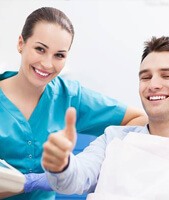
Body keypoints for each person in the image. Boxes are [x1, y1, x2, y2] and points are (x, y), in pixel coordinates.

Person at [0, 6, 148, 200]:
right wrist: (24, 185)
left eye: (59, 55)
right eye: (40, 49)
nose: (47, 63)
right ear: (21, 43)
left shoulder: (69, 96)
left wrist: (86, 164)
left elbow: (139, 119)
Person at [42, 36, 169, 199]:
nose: (153, 85)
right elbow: (76, 177)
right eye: (145, 77)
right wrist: (62, 164)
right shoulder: (113, 138)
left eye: (167, 76)